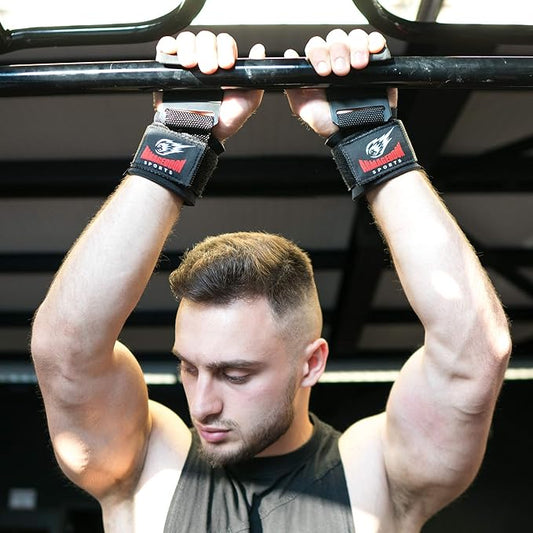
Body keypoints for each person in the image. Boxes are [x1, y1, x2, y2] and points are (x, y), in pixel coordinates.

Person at [31, 28, 511, 532]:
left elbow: (475, 354)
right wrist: (178, 136)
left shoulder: (375, 478)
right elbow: (64, 350)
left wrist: (370, 137)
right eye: (189, 368)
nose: (202, 404)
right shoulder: (149, 470)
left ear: (311, 364)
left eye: (236, 374)